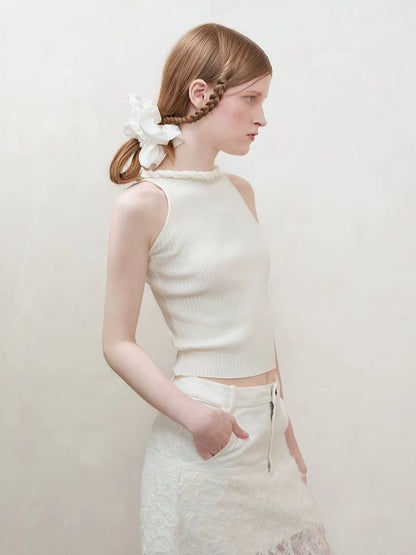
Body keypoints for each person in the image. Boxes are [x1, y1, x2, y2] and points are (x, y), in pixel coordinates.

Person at [103, 22, 333, 555]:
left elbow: (255, 321)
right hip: (206, 438)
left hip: (268, 434)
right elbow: (116, 342)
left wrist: (288, 435)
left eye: (264, 100)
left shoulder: (240, 192)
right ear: (200, 94)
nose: (262, 117)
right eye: (251, 98)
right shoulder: (143, 205)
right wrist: (197, 418)